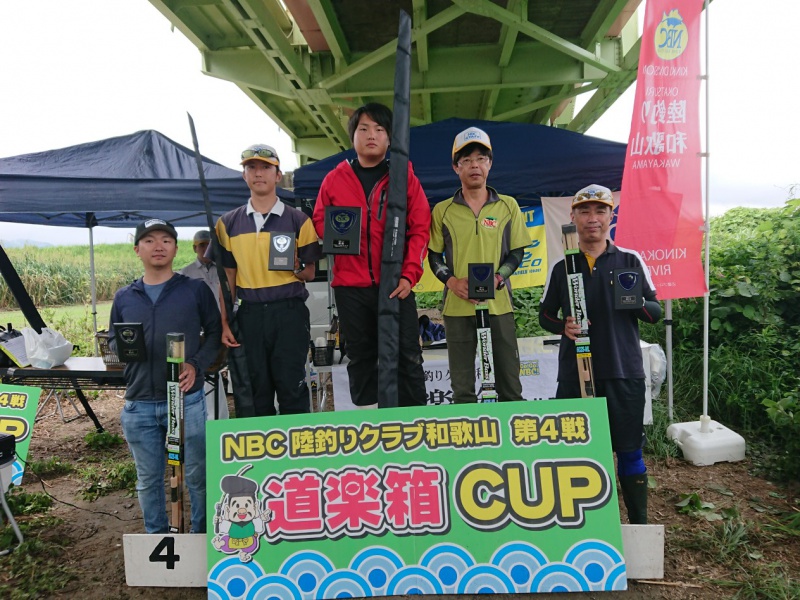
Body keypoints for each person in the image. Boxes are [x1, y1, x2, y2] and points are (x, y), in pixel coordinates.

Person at [538, 184, 662, 524]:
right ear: (573, 218)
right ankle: (587, 526)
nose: (593, 219)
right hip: (576, 372)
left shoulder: (630, 261)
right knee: (576, 451)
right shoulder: (562, 266)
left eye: (600, 211)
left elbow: (655, 313)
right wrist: (563, 326)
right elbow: (544, 316)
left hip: (624, 371)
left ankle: (638, 526)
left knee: (629, 450)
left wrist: (633, 301)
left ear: (611, 216)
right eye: (585, 212)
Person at [312, 102, 430, 409]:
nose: (371, 135)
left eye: (379, 129)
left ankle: (417, 421)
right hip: (350, 287)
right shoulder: (334, 179)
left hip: (395, 285)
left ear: (390, 138)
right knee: (362, 355)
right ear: (352, 138)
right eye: (363, 129)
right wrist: (340, 240)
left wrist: (408, 275)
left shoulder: (404, 178)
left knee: (407, 354)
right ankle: (371, 423)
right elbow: (320, 221)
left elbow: (420, 228)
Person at [109, 218, 221, 534]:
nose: (158, 246)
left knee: (198, 475)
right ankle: (158, 540)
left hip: (188, 401)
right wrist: (128, 347)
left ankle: (201, 539)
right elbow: (115, 339)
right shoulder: (124, 297)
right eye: (149, 240)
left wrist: (195, 365)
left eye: (166, 240)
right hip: (140, 403)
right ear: (137, 249)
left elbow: (214, 334)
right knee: (148, 479)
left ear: (175, 248)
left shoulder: (195, 290)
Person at [215, 144, 321, 417]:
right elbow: (227, 280)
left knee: (292, 389)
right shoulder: (227, 223)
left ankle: (297, 457)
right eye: (251, 167)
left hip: (289, 312)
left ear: (278, 175)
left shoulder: (299, 220)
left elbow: (309, 273)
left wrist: (295, 265)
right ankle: (259, 458)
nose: (258, 173)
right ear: (244, 176)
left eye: (265, 167)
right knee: (252, 393)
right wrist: (225, 322)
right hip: (249, 314)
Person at [428, 126, 529, 403]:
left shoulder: (508, 206)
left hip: (499, 305)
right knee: (462, 390)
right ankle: (469, 443)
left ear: (490, 164)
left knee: (510, 385)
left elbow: (517, 252)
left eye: (481, 159)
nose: (475, 165)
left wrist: (499, 278)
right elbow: (434, 256)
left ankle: (512, 443)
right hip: (457, 308)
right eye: (467, 160)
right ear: (455, 167)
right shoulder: (442, 210)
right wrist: (452, 282)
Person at [179, 229, 229, 420]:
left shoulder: (224, 270)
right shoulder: (186, 273)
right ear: (194, 248)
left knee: (217, 373)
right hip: (199, 331)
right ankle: (204, 417)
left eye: (209, 244)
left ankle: (221, 418)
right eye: (201, 245)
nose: (206, 248)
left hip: (223, 327)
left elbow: (231, 298)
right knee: (204, 372)